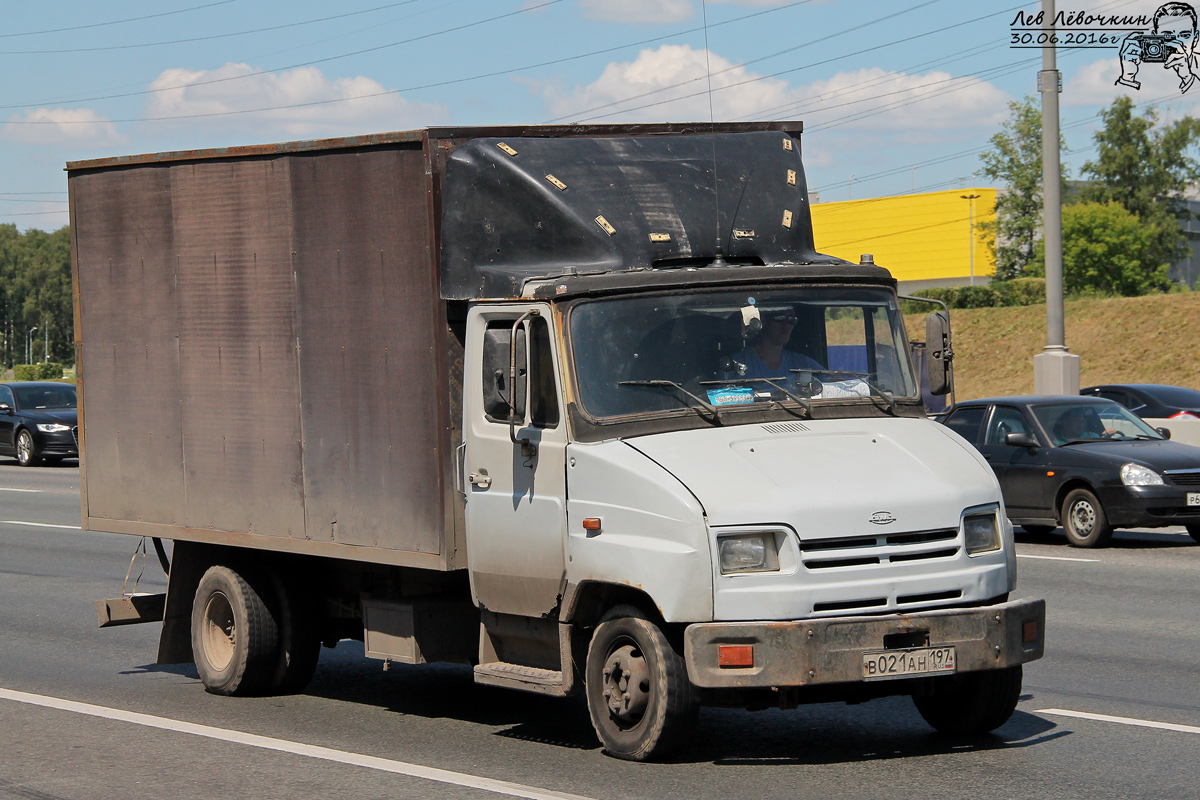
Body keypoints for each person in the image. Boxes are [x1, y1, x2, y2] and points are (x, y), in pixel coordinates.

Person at [1116, 2, 1198, 93]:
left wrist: (1187, 77)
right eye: (1167, 36)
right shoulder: (1140, 62)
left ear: (1195, 38)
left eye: (1185, 35)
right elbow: (1118, 103)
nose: (1176, 43)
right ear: (1155, 36)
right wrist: (1127, 77)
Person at [729, 310, 822, 383]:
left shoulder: (802, 364)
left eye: (791, 320)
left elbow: (832, 381)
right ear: (763, 321)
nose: (786, 325)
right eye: (780, 318)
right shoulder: (738, 363)